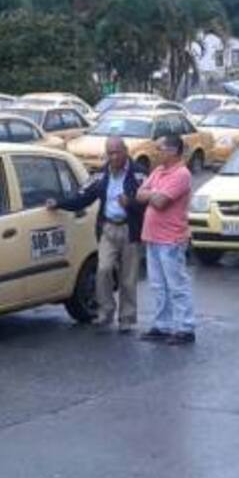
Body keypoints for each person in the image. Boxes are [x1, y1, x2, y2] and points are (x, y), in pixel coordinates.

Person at [46, 137, 146, 332]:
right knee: (104, 270)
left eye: (117, 152)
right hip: (108, 228)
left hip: (130, 229)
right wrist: (58, 203)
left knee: (128, 277)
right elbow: (82, 197)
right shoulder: (101, 175)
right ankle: (105, 311)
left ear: (126, 151)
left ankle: (126, 319)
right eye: (110, 153)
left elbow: (148, 203)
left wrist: (131, 203)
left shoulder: (139, 174)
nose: (114, 156)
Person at [136, 134, 196, 345]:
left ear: (172, 151)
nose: (156, 152)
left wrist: (151, 193)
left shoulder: (181, 174)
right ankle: (163, 325)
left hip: (171, 239)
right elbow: (139, 194)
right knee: (158, 285)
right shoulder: (159, 171)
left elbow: (160, 201)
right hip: (153, 237)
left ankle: (185, 327)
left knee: (176, 284)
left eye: (159, 148)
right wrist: (152, 193)